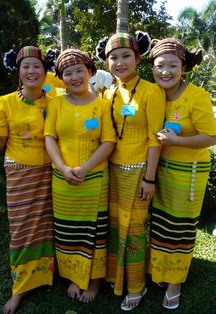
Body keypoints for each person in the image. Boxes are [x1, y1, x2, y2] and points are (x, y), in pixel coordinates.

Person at [0, 46, 54, 314]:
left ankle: (46, 274)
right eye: (26, 66)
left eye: (37, 66)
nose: (32, 71)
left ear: (45, 71)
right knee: (21, 229)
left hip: (51, 173)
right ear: (18, 71)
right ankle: (20, 287)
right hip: (19, 173)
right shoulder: (5, 101)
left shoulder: (56, 100)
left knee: (48, 225)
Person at [97, 32, 166, 311]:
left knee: (135, 231)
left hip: (138, 172)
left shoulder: (152, 91)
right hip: (112, 171)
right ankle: (116, 277)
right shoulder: (109, 92)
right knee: (115, 228)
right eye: (113, 57)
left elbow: (155, 138)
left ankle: (137, 285)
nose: (119, 62)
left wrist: (149, 178)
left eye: (126, 56)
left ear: (138, 58)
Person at [148, 38, 216, 310]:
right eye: (159, 65)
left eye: (172, 65)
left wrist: (177, 142)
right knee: (161, 222)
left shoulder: (195, 95)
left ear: (183, 67)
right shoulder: (154, 94)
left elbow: (211, 137)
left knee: (180, 226)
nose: (165, 71)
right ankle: (160, 270)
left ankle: (175, 279)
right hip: (160, 169)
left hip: (188, 172)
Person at [44, 48, 116, 303]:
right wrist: (63, 168)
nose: (74, 77)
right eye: (68, 73)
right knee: (68, 231)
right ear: (61, 78)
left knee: (94, 231)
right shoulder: (56, 103)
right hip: (62, 180)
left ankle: (94, 282)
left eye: (79, 71)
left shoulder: (102, 105)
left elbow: (108, 142)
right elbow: (49, 137)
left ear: (90, 72)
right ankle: (75, 276)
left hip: (94, 179)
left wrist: (84, 169)